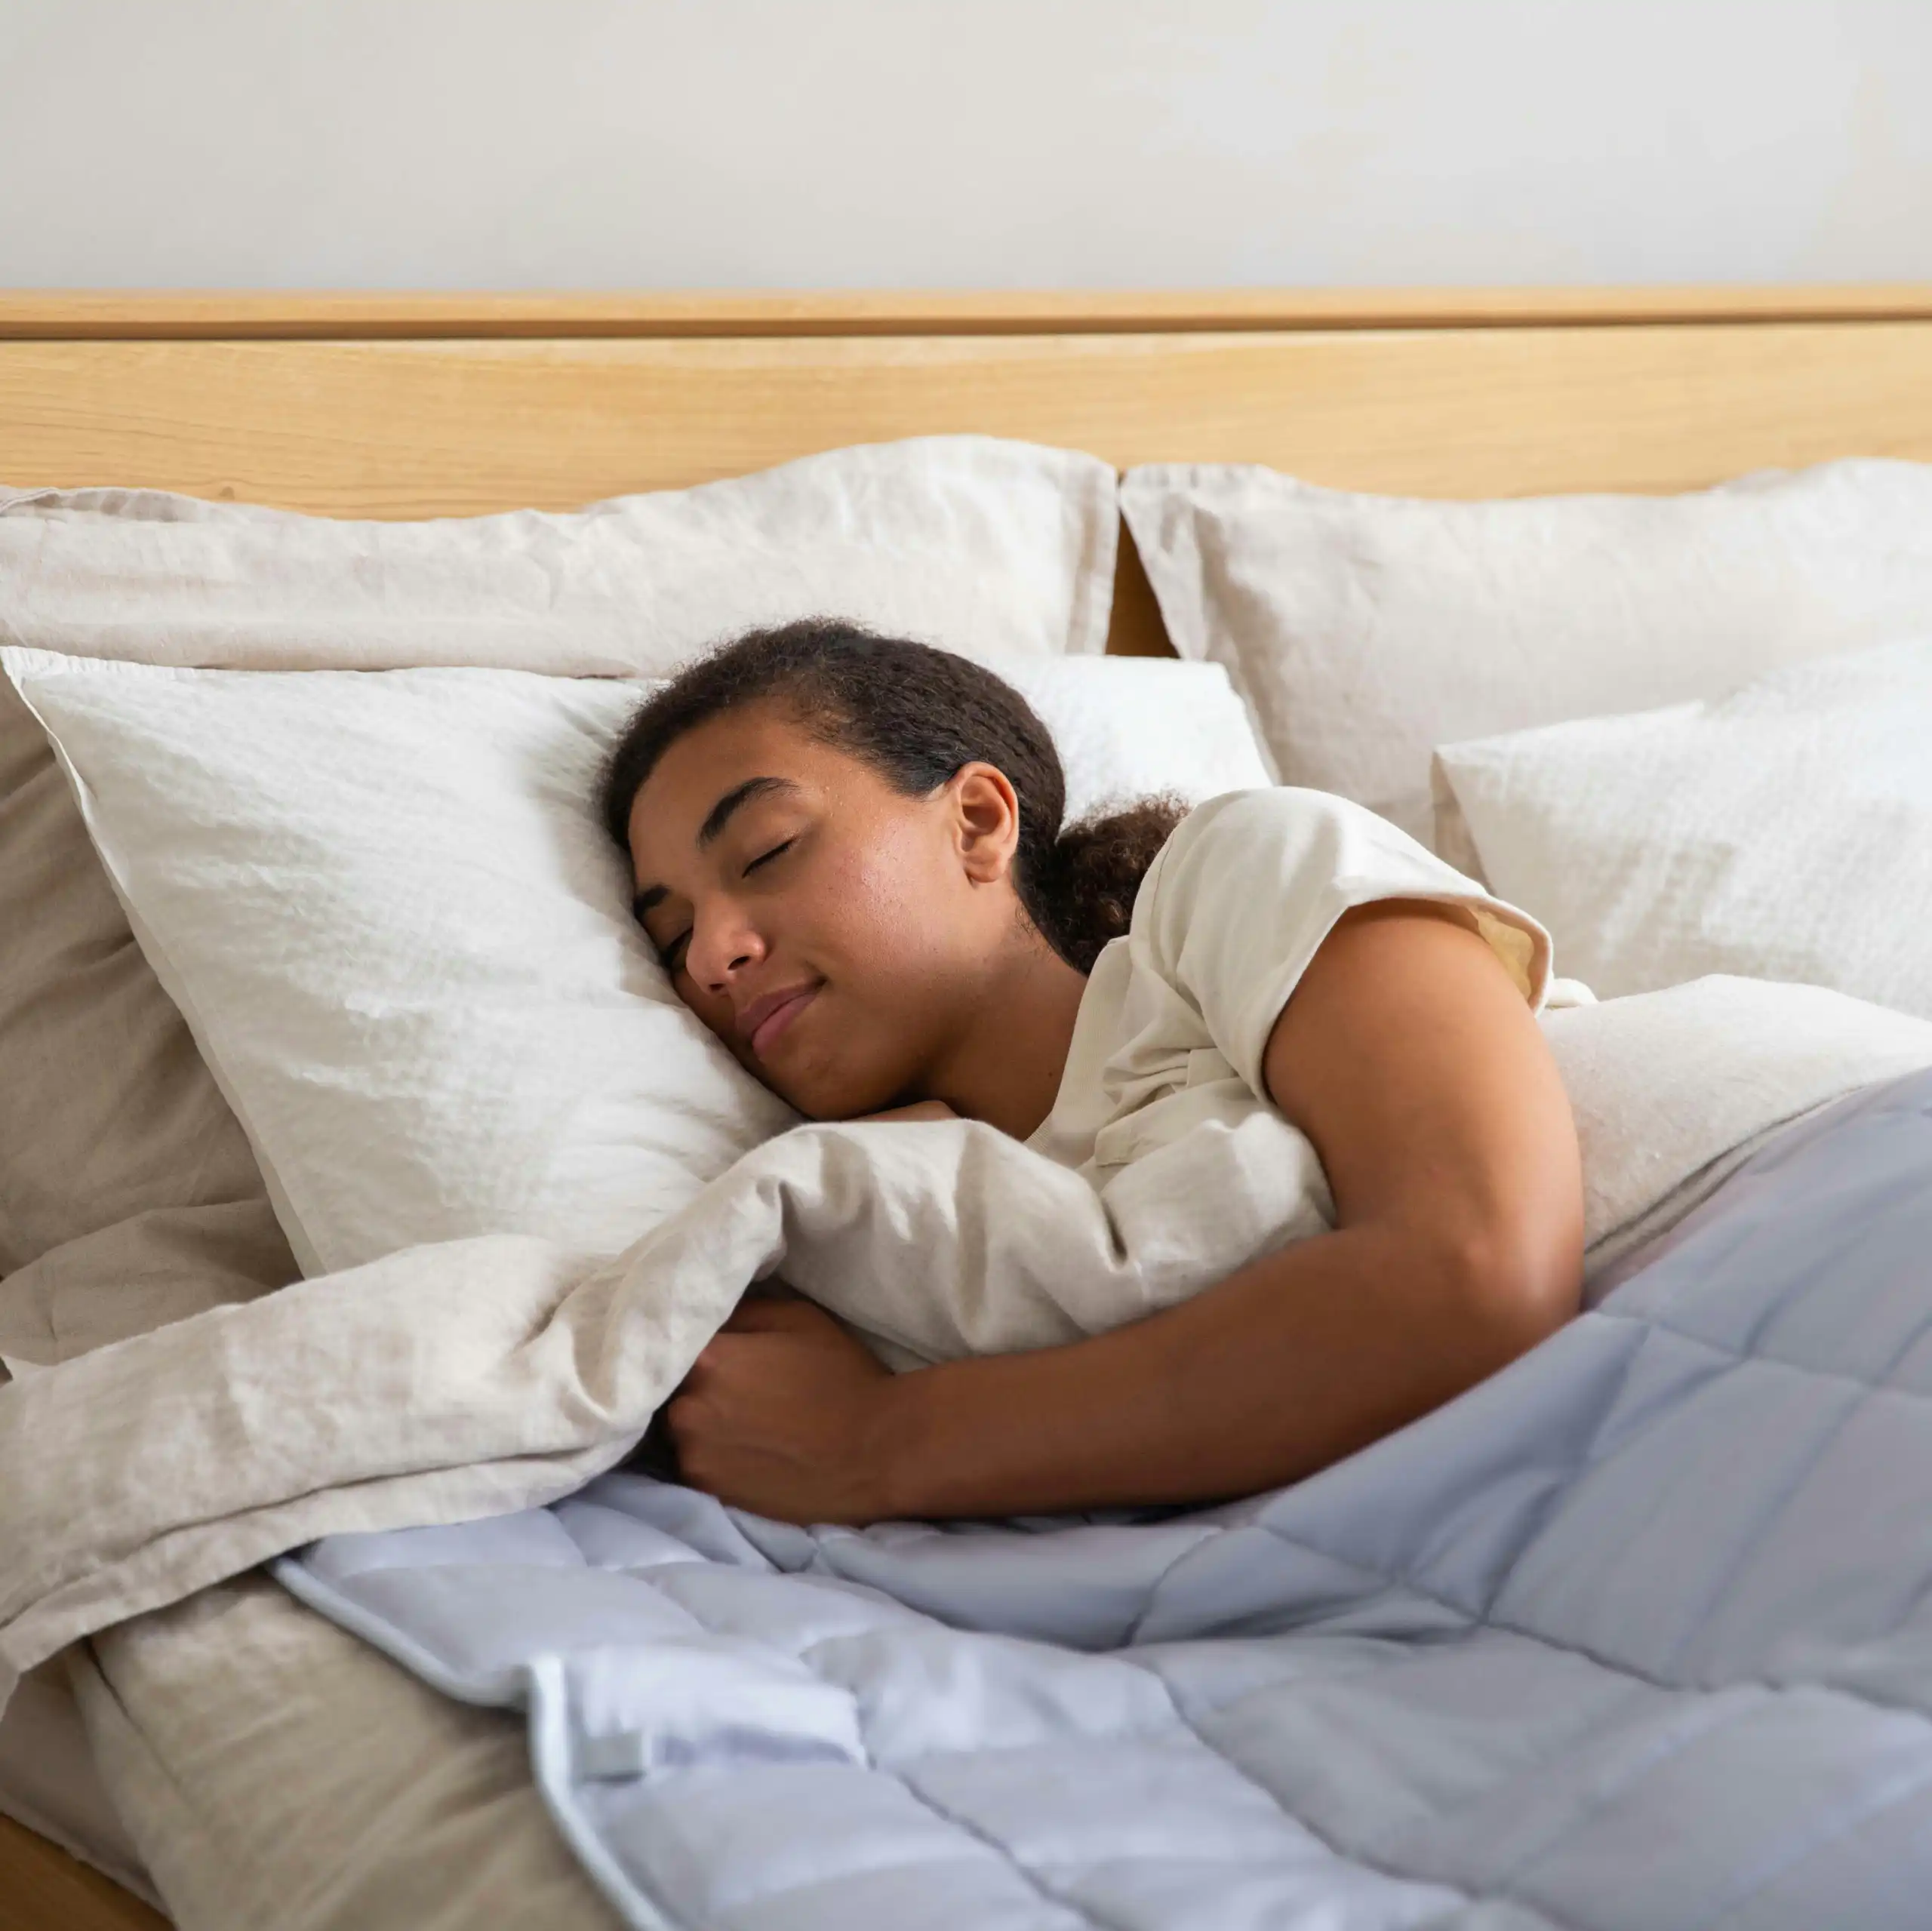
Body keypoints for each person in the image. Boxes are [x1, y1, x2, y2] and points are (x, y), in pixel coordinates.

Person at [600, 621, 1584, 1526]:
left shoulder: (1240, 874)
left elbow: (1479, 1268)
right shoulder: (860, 1226)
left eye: (767, 849)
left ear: (979, 821)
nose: (711, 955)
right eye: (673, 934)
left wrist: (884, 1440)